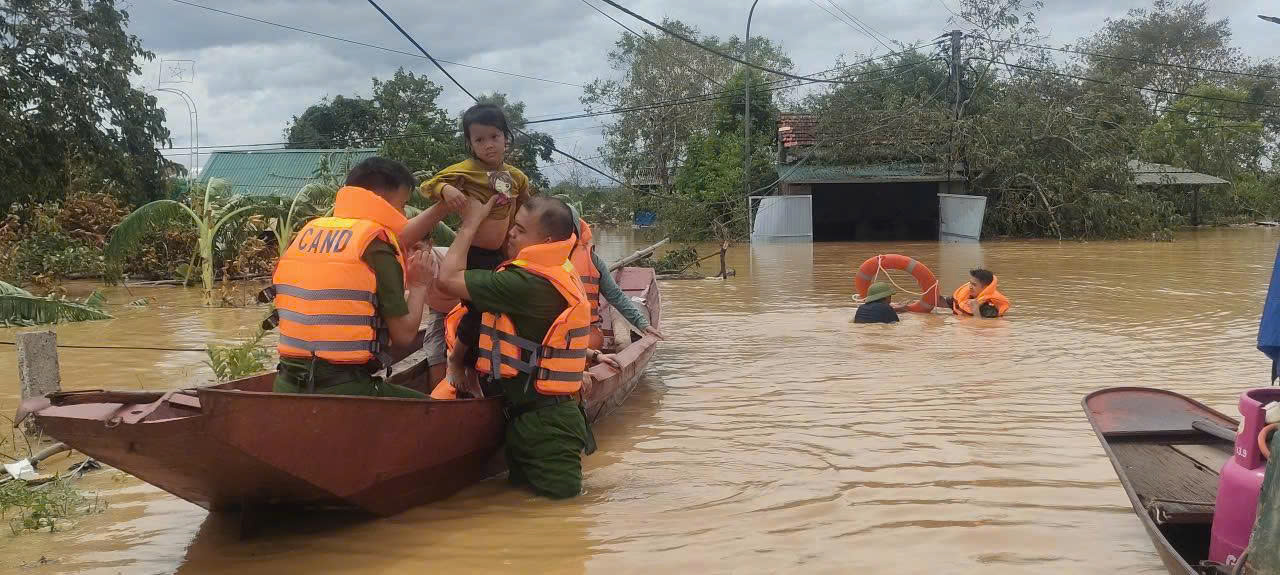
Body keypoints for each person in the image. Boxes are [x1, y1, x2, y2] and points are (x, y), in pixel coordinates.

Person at [434, 194, 592, 499]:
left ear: (544, 240)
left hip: (547, 425)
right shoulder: (557, 270)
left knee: (566, 517)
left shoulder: (527, 283)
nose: (510, 233)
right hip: (527, 417)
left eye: (519, 229)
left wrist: (471, 223)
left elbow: (447, 279)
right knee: (528, 512)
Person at [267, 157, 431, 398]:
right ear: (382, 201)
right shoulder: (377, 244)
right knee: (434, 411)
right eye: (402, 204)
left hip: (286, 385)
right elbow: (405, 336)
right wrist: (419, 285)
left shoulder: (309, 231)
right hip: (344, 390)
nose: (404, 213)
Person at [419, 103, 534, 393]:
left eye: (494, 137)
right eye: (479, 140)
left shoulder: (516, 177)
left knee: (506, 309)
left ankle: (499, 369)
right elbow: (427, 186)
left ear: (506, 138)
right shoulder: (464, 172)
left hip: (504, 253)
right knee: (480, 308)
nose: (488, 145)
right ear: (470, 144)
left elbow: (527, 208)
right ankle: (457, 359)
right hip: (473, 254)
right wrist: (446, 190)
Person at [566, 205, 664, 346]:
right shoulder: (538, 260)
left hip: (585, 334)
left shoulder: (592, 260)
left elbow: (616, 296)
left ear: (574, 229)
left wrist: (643, 324)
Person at [943, 268, 1010, 318]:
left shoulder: (990, 309)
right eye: (970, 283)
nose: (970, 287)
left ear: (985, 288)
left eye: (974, 285)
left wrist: (976, 309)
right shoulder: (964, 296)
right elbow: (943, 303)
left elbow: (982, 327)